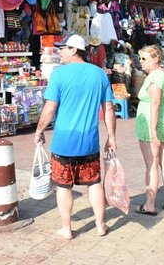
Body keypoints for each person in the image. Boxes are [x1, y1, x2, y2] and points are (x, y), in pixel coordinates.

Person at [34, 34, 116, 240]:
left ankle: (67, 228)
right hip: (89, 142)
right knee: (94, 183)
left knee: (63, 186)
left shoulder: (59, 75)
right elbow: (108, 109)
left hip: (63, 143)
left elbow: (50, 108)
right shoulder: (99, 74)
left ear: (73, 50)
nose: (59, 52)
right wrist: (111, 137)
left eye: (62, 48)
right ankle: (100, 225)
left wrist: (39, 130)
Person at [135, 45, 164, 216]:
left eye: (144, 59)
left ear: (155, 59)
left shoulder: (155, 77)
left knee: (152, 165)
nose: (141, 62)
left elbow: (155, 102)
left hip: (153, 123)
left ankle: (150, 204)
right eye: (140, 58)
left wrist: (152, 130)